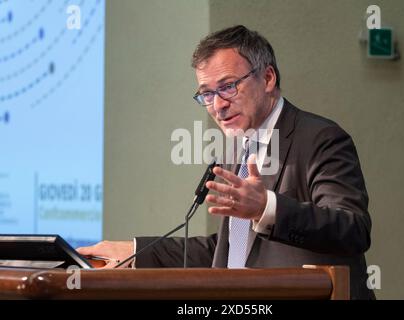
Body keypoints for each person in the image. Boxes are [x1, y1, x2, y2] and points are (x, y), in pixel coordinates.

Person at [77, 25, 374, 299]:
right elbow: (230, 250)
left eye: (228, 86)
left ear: (268, 78)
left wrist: (266, 208)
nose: (217, 105)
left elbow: (352, 229)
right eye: (207, 94)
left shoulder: (321, 138)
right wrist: (138, 252)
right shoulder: (238, 149)